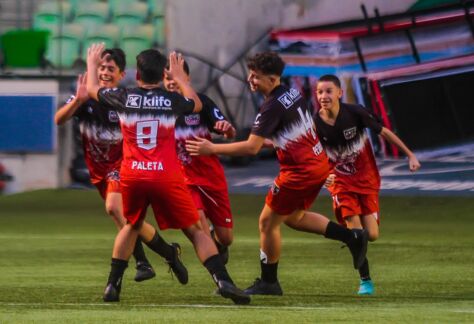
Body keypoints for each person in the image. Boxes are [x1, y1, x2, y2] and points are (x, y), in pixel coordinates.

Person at [186, 51, 369, 296]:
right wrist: (276, 142)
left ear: (273, 79)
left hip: (299, 172)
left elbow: (251, 147)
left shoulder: (271, 107)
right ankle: (352, 237)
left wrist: (212, 148)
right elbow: (294, 130)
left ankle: (269, 282)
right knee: (294, 218)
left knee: (266, 223)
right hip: (317, 163)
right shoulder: (292, 93)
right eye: (250, 75)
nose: (250, 80)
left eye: (256, 77)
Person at [86, 43, 250, 305]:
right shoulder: (172, 100)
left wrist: (91, 65)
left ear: (137, 75)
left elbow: (92, 90)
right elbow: (196, 103)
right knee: (196, 231)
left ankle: (112, 286)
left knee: (131, 226)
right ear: (163, 74)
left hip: (133, 176)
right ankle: (224, 281)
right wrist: (182, 78)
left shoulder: (124, 96)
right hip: (166, 175)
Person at [55, 48, 188, 285]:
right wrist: (78, 99)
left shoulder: (125, 98)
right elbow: (58, 119)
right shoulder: (85, 95)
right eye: (102, 68)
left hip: (123, 165)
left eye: (110, 69)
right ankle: (167, 254)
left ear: (121, 74)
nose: (105, 72)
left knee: (114, 209)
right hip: (98, 170)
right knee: (128, 220)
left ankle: (140, 263)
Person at [314, 74, 421, 295]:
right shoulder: (314, 124)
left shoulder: (355, 113)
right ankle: (365, 280)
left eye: (328, 91)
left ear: (339, 93)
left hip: (367, 179)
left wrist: (409, 154)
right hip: (340, 181)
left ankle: (352, 233)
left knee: (371, 234)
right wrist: (323, 175)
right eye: (319, 92)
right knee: (355, 231)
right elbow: (310, 154)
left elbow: (385, 132)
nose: (323, 96)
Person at [163, 60, 236, 265]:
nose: (171, 82)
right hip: (184, 180)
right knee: (201, 231)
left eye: (176, 77)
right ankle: (222, 280)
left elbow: (229, 132)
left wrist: (226, 128)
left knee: (226, 238)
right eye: (167, 78)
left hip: (211, 176)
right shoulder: (161, 109)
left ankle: (218, 245)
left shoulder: (202, 102)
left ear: (187, 79)